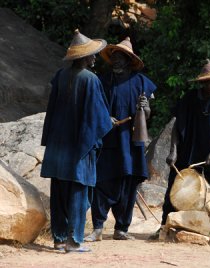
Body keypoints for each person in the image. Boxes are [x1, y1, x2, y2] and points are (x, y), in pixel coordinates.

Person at [149, 59, 210, 247]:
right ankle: (164, 226)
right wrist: (173, 151)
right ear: (201, 83)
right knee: (174, 189)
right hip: (189, 154)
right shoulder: (188, 100)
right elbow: (177, 127)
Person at [40, 29, 112, 253]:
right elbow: (97, 118)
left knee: (59, 194)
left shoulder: (60, 76)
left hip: (58, 148)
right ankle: (74, 241)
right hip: (79, 147)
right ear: (83, 58)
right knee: (79, 195)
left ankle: (59, 239)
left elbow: (52, 111)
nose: (94, 57)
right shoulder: (91, 80)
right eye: (92, 54)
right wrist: (107, 121)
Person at [84, 37, 156, 242]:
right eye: (113, 56)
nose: (115, 60)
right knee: (101, 182)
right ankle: (98, 227)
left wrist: (144, 108)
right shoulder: (102, 80)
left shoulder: (142, 82)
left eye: (120, 57)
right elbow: (93, 106)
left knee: (129, 184)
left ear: (128, 60)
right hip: (107, 140)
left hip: (131, 142)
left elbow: (148, 114)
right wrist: (105, 117)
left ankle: (121, 229)